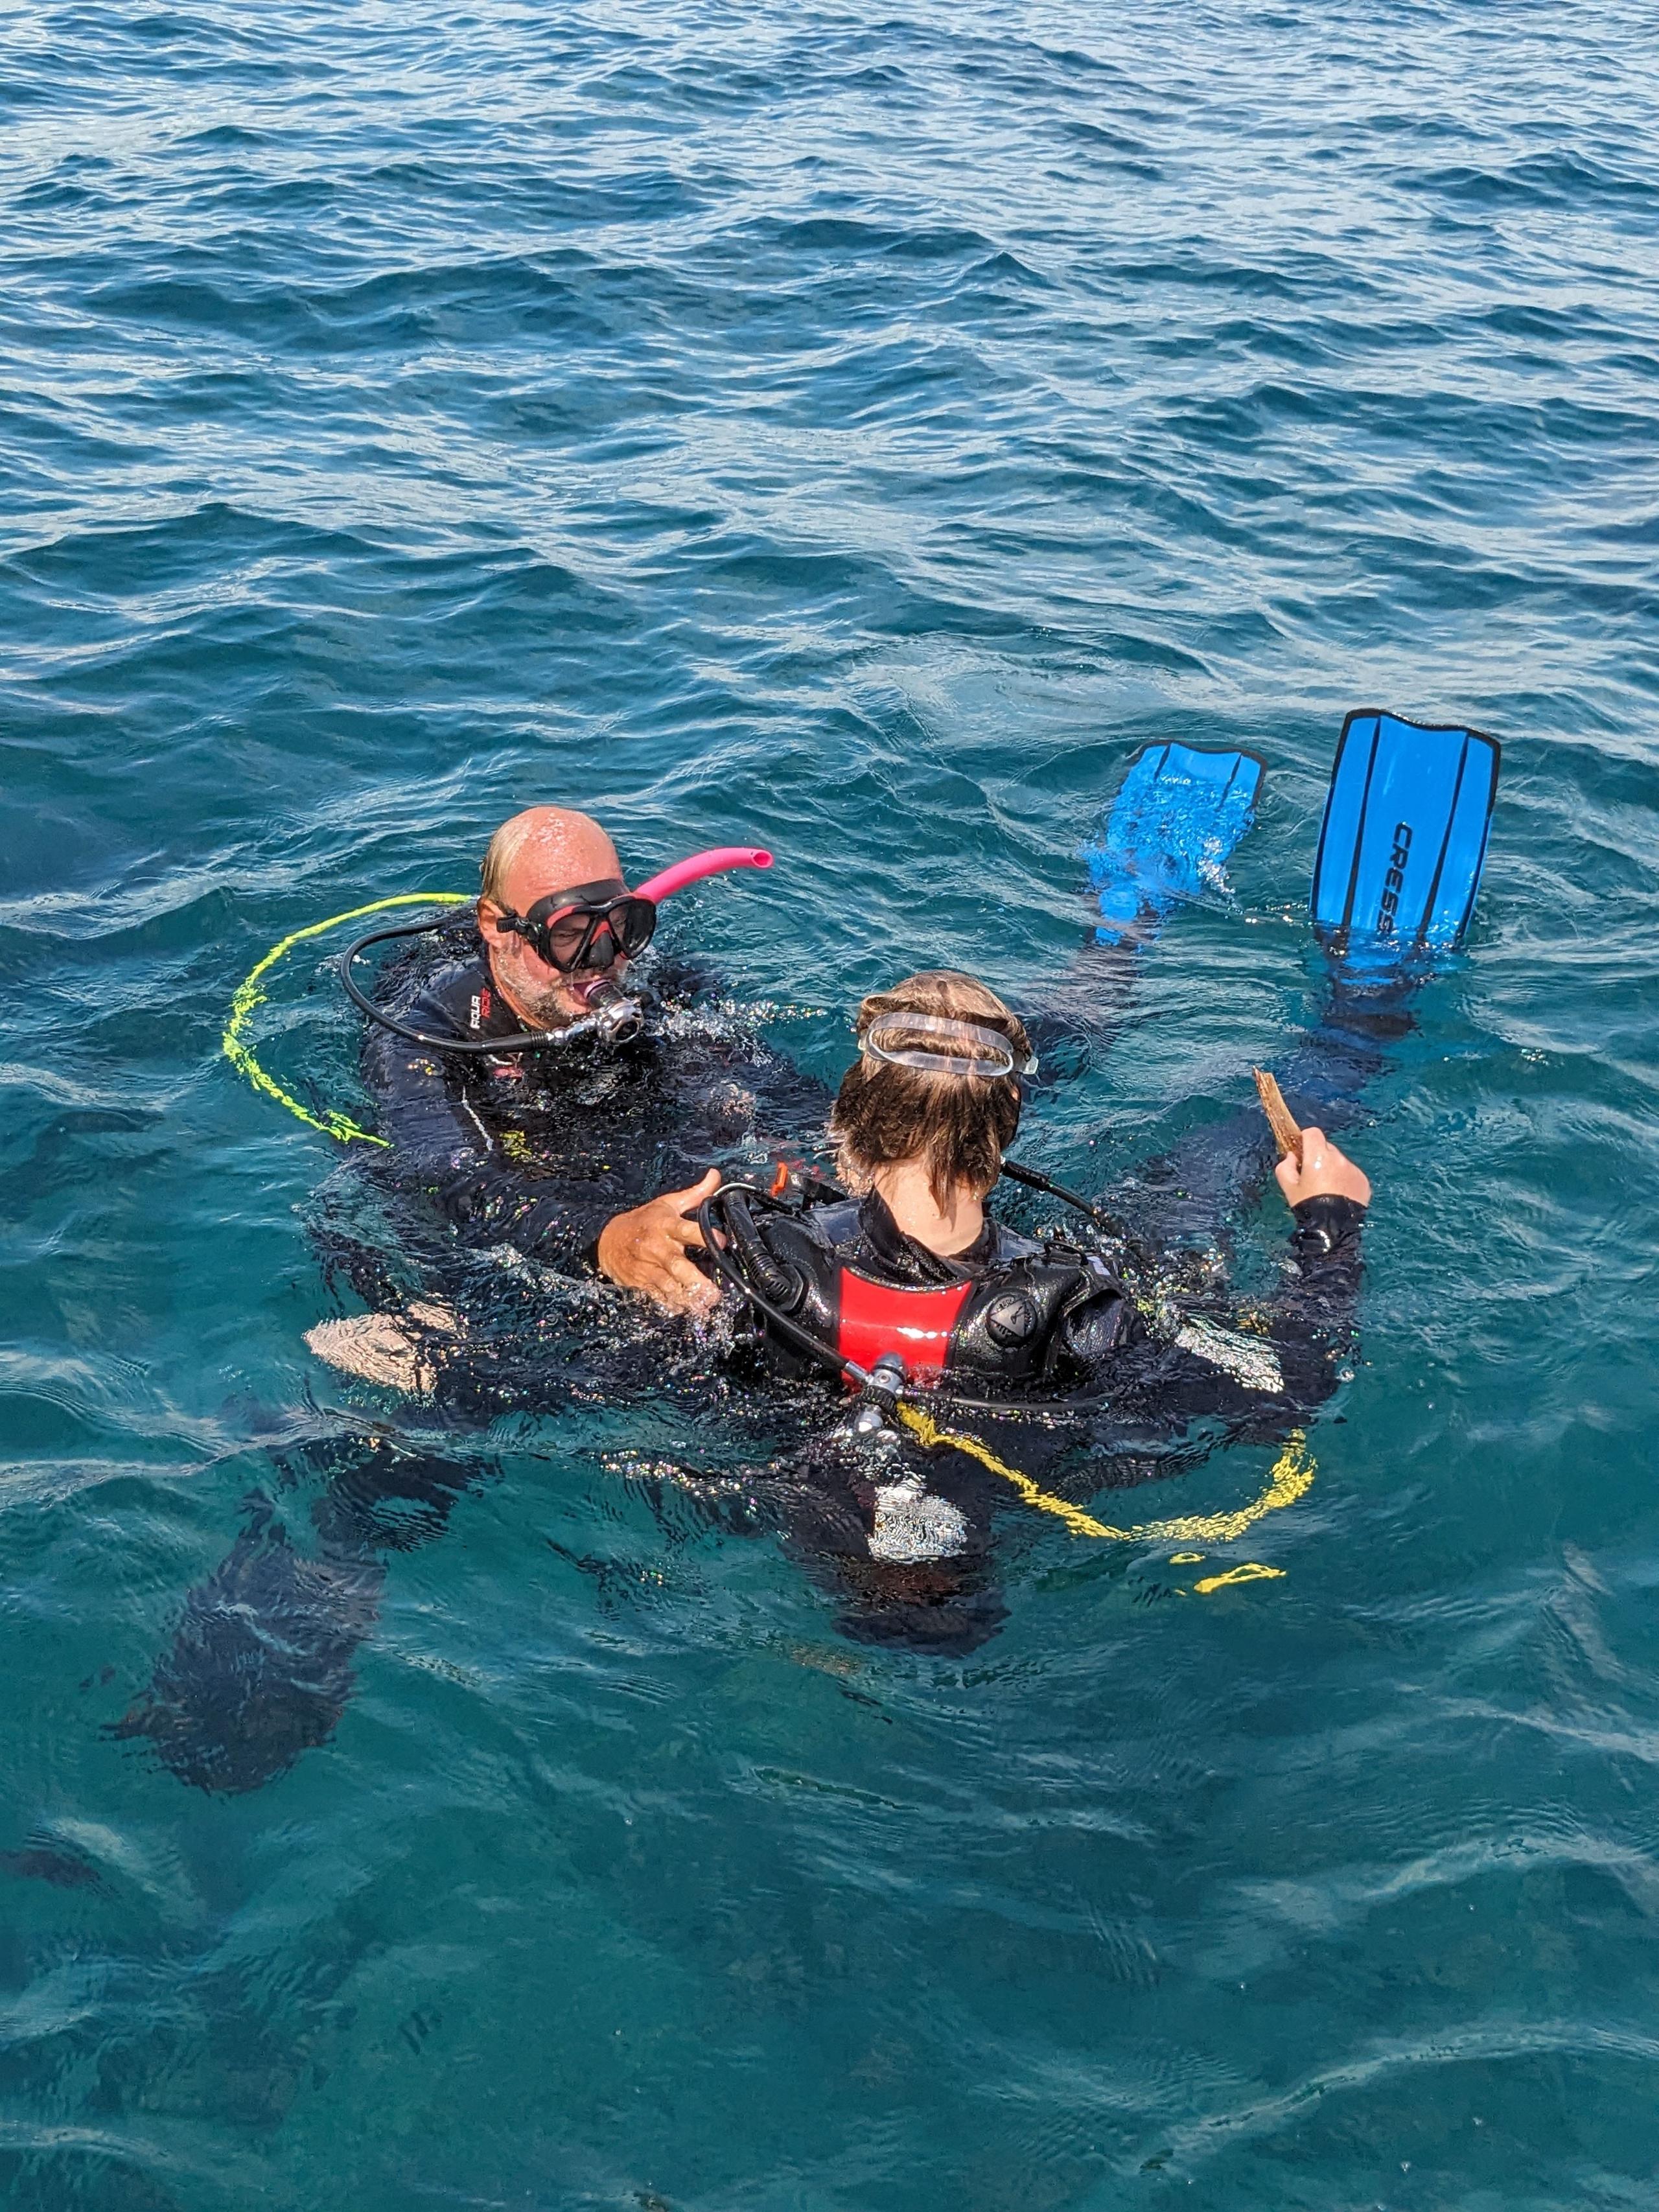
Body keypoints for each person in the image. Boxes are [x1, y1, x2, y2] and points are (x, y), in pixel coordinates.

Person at [695, 970, 1370, 1639]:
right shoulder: (1077, 1312)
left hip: (835, 1556)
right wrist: (1330, 1227)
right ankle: (1360, 1018)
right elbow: (1292, 1383)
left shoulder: (759, 1266)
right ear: (1010, 1116)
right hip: (984, 1573)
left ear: (852, 1112)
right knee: (1203, 1174)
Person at [308, 803, 824, 1388]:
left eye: (620, 929)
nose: (602, 961)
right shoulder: (426, 1034)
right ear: (497, 928)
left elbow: (773, 1088)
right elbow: (449, 1179)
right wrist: (605, 1242)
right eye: (571, 936)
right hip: (513, 1204)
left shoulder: (658, 989)